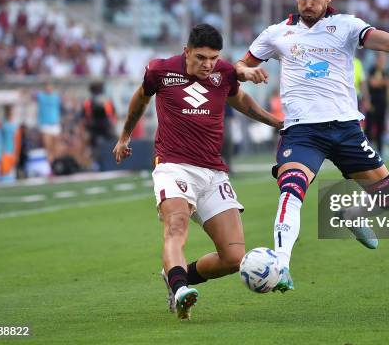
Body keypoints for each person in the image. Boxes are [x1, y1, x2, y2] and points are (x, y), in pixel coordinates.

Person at [234, 0, 389, 292]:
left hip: (345, 129)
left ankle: (353, 214)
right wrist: (247, 73)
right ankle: (282, 265)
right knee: (291, 190)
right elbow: (240, 65)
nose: (307, 2)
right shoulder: (277, 33)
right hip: (302, 132)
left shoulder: (347, 26)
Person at [112, 24, 282, 320]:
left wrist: (274, 122)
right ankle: (180, 292)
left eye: (213, 58)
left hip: (213, 172)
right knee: (176, 227)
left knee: (233, 258)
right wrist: (125, 135)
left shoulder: (224, 73)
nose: (207, 65)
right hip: (173, 166)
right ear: (186, 51)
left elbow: (238, 98)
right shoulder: (160, 71)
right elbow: (141, 98)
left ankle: (178, 278)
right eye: (201, 57)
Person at [363, 52, 389, 156]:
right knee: (369, 127)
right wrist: (383, 82)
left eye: (383, 58)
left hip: (383, 103)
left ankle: (381, 150)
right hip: (372, 103)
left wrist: (380, 82)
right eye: (380, 58)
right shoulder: (372, 69)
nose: (382, 60)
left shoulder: (387, 71)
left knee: (381, 127)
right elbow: (372, 83)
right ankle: (367, 149)